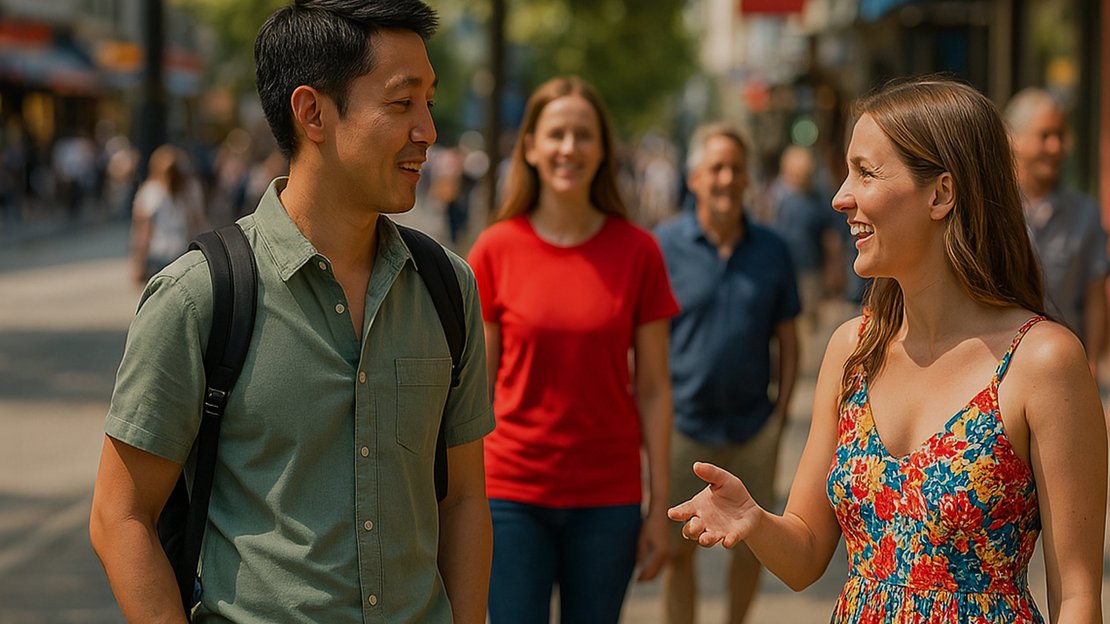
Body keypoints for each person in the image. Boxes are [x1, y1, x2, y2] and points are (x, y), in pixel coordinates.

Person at [89, 2, 495, 623]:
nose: (428, 131)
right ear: (312, 113)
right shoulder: (200, 296)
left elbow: (464, 498)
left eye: (429, 103)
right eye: (400, 103)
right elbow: (120, 515)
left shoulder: (446, 287)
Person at [669, 78, 1107, 623]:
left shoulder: (1043, 361)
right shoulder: (852, 349)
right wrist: (754, 520)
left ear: (941, 194)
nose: (839, 196)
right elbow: (805, 555)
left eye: (866, 172)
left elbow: (1080, 599)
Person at [467, 75, 679, 623]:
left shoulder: (639, 252)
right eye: (556, 134)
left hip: (608, 499)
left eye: (583, 135)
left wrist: (659, 508)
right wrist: (456, 503)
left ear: (603, 148)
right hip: (511, 494)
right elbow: (475, 393)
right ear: (531, 147)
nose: (569, 148)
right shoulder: (494, 248)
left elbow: (655, 389)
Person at [654, 123, 800, 624]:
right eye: (715, 168)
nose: (726, 178)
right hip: (683, 427)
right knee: (679, 549)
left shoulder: (773, 250)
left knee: (752, 545)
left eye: (735, 168)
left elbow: (788, 336)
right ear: (694, 178)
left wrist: (779, 415)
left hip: (752, 428)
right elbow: (647, 342)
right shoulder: (664, 246)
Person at [1004, 88, 1108, 376]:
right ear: (1014, 139)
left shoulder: (1085, 214)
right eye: (1045, 136)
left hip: (1064, 369)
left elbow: (1094, 296)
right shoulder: (992, 211)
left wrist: (1092, 362)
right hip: (1000, 370)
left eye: (1060, 136)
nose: (1056, 147)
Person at [766, 144, 844, 335]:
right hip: (778, 268)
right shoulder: (774, 196)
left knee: (807, 323)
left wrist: (833, 270)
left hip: (809, 271)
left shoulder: (817, 200)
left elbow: (830, 237)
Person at [129, 145, 206, 284]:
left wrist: (138, 262)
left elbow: (143, 231)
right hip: (182, 251)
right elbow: (198, 224)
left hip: (158, 253)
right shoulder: (191, 190)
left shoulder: (150, 191)